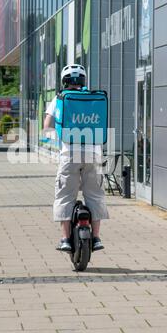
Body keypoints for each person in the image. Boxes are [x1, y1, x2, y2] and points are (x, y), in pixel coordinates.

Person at [44, 64, 109, 252]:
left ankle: (65, 239)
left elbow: (47, 126)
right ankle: (96, 238)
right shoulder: (94, 98)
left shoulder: (60, 99)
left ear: (64, 81)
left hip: (69, 154)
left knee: (65, 196)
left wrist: (53, 136)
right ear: (83, 81)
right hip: (93, 154)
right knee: (95, 196)